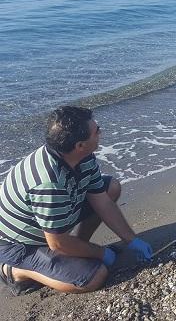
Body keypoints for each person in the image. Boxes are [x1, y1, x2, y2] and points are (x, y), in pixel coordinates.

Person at [0, 106, 153, 296]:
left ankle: (78, 246)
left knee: (110, 187)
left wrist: (131, 240)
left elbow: (102, 200)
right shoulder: (47, 183)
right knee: (92, 277)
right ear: (80, 145)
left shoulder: (82, 156)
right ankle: (15, 271)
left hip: (51, 224)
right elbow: (58, 243)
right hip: (19, 244)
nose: (100, 132)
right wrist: (102, 253)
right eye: (96, 131)